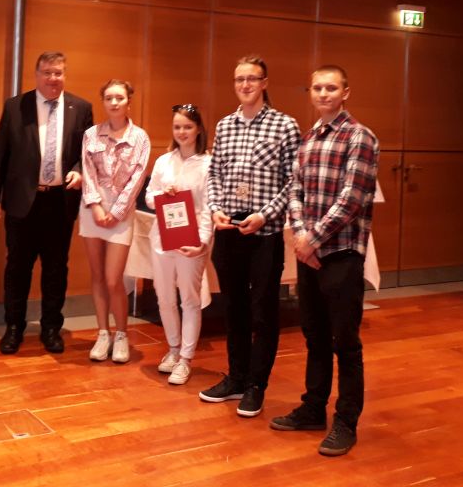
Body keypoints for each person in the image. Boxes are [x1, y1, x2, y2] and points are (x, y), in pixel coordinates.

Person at [272, 64, 379, 458]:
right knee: (314, 337)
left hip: (342, 254)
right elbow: (294, 191)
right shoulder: (309, 137)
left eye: (331, 88)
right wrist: (303, 238)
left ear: (345, 92)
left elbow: (352, 199)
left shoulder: (360, 137)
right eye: (317, 88)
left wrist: (311, 240)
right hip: (309, 252)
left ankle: (345, 422)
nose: (323, 94)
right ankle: (313, 408)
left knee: (345, 343)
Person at [200, 56, 301, 416]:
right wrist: (215, 208)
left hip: (264, 229)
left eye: (252, 79)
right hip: (229, 227)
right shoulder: (225, 125)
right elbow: (214, 174)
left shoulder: (285, 125)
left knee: (263, 311)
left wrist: (265, 215)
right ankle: (237, 377)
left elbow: (294, 180)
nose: (245, 85)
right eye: (239, 79)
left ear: (264, 83)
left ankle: (257, 385)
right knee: (234, 308)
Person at [0, 51, 94, 355]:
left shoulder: (81, 108)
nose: (52, 78)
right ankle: (14, 328)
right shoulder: (15, 106)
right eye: (47, 72)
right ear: (37, 74)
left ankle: (51, 329)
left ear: (64, 75)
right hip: (22, 201)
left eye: (58, 72)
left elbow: (87, 153)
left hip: (59, 202)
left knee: (56, 269)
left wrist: (79, 170)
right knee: (17, 268)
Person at [80, 79, 151, 363]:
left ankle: (121, 334)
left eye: (119, 97)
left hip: (122, 212)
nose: (114, 102)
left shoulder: (140, 137)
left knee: (113, 279)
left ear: (128, 101)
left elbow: (138, 178)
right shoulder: (91, 135)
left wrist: (117, 211)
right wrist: (96, 206)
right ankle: (102, 333)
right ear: (103, 101)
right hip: (92, 210)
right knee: (97, 276)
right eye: (109, 97)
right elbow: (87, 173)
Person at [144, 104, 213, 385]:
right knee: (164, 298)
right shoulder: (164, 161)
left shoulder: (208, 164)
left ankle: (186, 358)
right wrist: (163, 193)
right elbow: (149, 197)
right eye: (177, 127)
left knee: (189, 299)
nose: (182, 132)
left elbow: (209, 207)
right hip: (162, 238)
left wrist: (203, 242)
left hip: (191, 241)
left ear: (198, 129)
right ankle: (173, 349)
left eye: (187, 126)